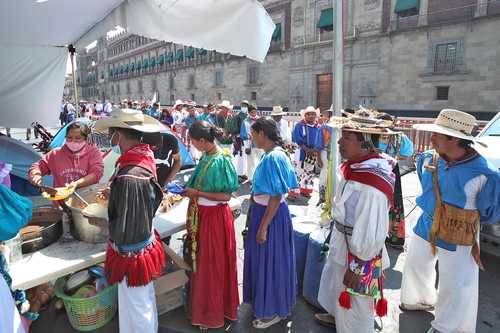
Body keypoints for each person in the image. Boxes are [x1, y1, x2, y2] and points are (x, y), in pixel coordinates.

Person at [400, 109, 500, 333]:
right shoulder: (427, 159)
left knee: (456, 284)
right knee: (416, 264)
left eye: (437, 134)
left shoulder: (486, 174)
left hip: (460, 233)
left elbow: (490, 213)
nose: (431, 139)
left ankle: (449, 328)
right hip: (425, 222)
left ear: (454, 139)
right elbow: (426, 186)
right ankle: (418, 299)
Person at [315, 109, 396, 332]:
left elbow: (371, 231)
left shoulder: (371, 184)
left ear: (366, 145)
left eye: (347, 138)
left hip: (357, 254)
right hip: (345, 244)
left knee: (357, 305)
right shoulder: (355, 169)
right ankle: (337, 317)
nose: (339, 141)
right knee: (338, 288)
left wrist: (359, 266)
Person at [94, 109, 166, 333]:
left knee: (136, 306)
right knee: (141, 301)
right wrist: (114, 194)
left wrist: (106, 225)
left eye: (112, 134)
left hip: (131, 249)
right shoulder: (143, 156)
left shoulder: (129, 173)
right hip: (144, 240)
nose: (110, 139)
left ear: (119, 135)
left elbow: (128, 219)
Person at [182, 121, 239, 330]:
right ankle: (206, 310)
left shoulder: (221, 160)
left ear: (204, 141)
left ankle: (211, 313)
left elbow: (226, 196)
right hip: (203, 216)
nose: (193, 145)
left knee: (211, 266)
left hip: (214, 218)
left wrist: (197, 194)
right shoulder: (207, 155)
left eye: (194, 142)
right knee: (203, 264)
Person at [243, 117, 298, 329]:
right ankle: (270, 304)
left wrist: (264, 226)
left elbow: (276, 196)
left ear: (262, 134)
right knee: (270, 261)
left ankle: (272, 310)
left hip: (269, 216)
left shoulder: (273, 157)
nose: (252, 139)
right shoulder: (274, 154)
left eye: (253, 135)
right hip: (267, 213)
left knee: (270, 262)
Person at [375, 112, 414, 248]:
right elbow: (408, 152)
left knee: (375, 201)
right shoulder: (399, 136)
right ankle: (394, 237)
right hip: (392, 170)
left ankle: (375, 234)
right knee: (394, 202)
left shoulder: (370, 133)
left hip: (374, 170)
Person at [29, 122, 104, 191]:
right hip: (60, 201)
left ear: (85, 139)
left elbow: (96, 173)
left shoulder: (93, 152)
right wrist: (36, 174)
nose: (73, 141)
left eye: (78, 138)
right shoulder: (55, 153)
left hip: (86, 200)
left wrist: (77, 184)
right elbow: (38, 166)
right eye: (69, 138)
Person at [292, 106, 320, 198]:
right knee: (298, 171)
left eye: (313, 114)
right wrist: (306, 149)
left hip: (312, 153)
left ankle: (305, 190)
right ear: (305, 116)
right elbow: (297, 138)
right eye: (309, 114)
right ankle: (294, 192)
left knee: (309, 171)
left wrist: (314, 150)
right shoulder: (299, 125)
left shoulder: (318, 127)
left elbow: (319, 140)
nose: (311, 116)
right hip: (301, 151)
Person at [315, 105, 334, 205]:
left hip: (336, 154)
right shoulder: (324, 127)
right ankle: (322, 197)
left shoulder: (340, 127)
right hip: (325, 152)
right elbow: (318, 144)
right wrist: (318, 158)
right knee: (324, 174)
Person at [240, 104, 262, 182]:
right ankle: (251, 178)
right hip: (250, 144)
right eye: (252, 112)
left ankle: (261, 177)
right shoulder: (245, 121)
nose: (254, 113)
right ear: (249, 112)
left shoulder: (260, 120)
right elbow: (242, 134)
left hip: (260, 143)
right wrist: (248, 136)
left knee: (261, 161)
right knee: (251, 162)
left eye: (255, 112)